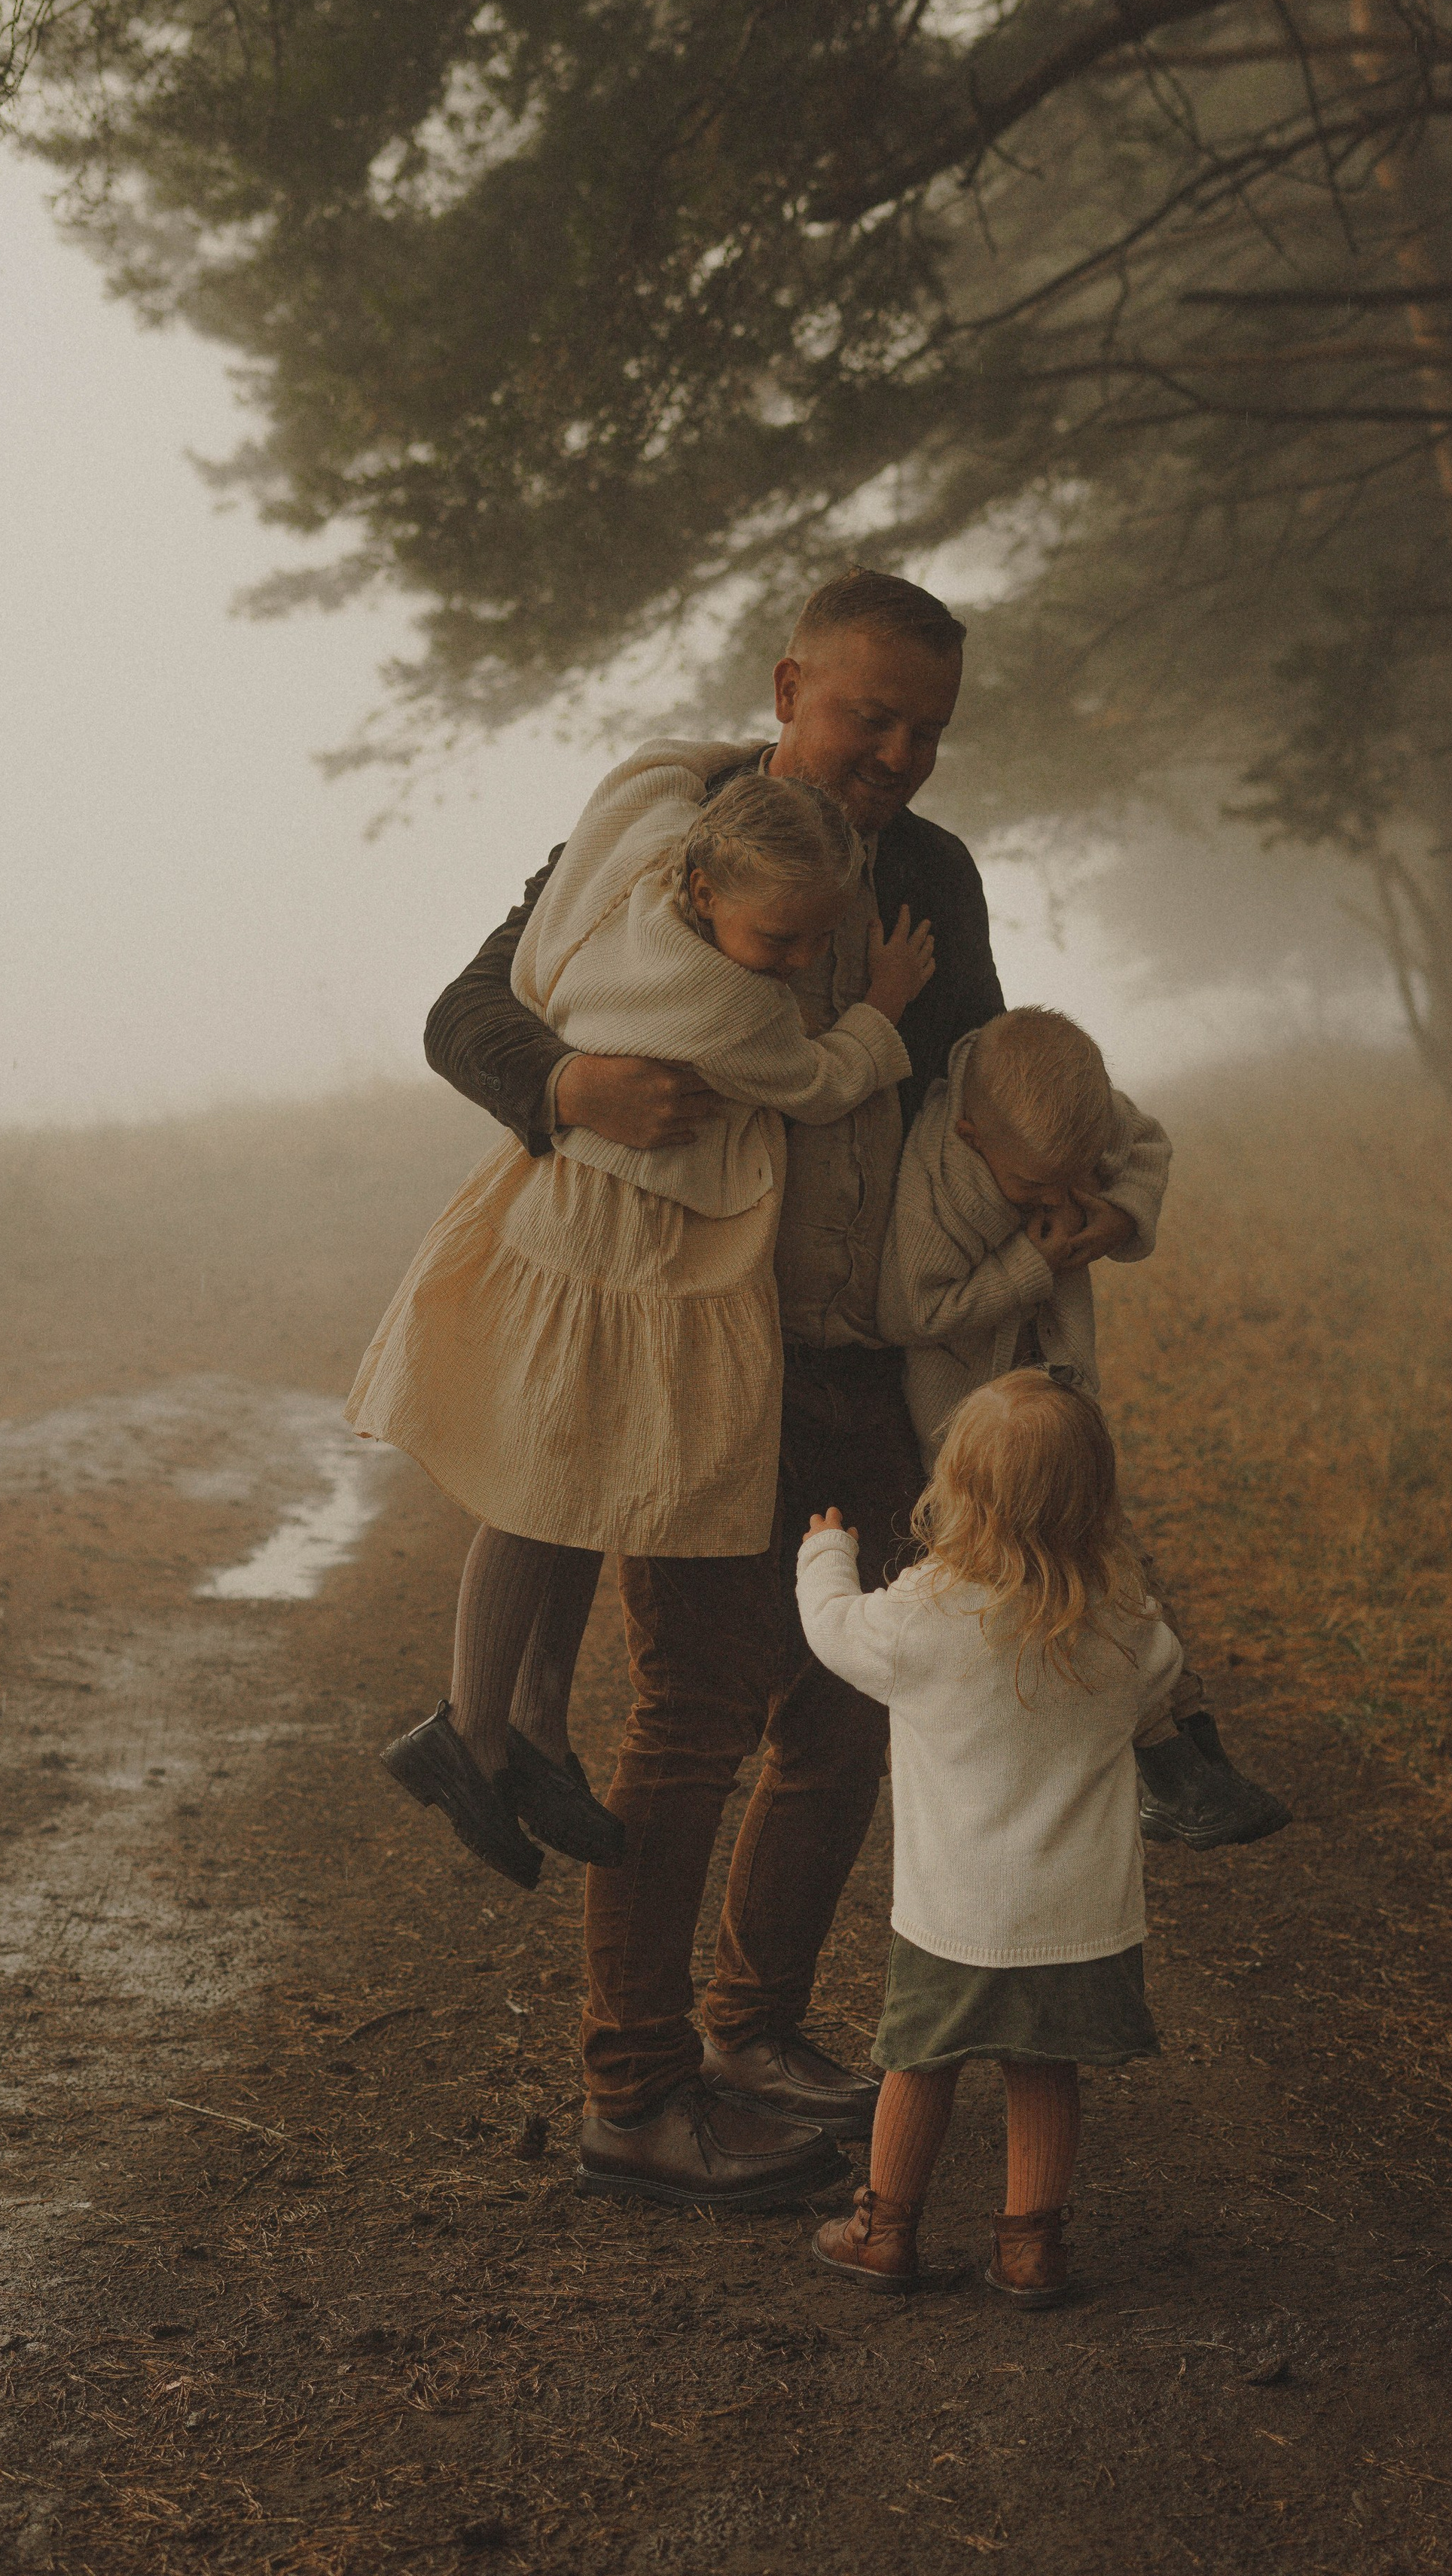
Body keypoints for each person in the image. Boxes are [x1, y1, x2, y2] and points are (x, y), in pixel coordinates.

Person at [425, 569, 1106, 2208]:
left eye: (926, 727)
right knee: (692, 1718)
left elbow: (974, 1075)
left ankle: (753, 2038)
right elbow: (469, 1016)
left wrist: (1059, 1184)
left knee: (849, 1707)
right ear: (789, 684)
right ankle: (635, 2092)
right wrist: (567, 1082)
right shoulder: (672, 846)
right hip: (704, 1350)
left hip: (881, 1355)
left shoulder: (929, 872)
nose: (895, 751)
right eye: (869, 712)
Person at [351, 766, 932, 1895]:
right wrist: (885, 1007)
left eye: (824, 939)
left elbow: (635, 781)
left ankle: (532, 1727)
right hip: (616, 1250)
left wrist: (722, 761)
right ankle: (465, 1732)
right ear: (707, 889)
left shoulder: (622, 873)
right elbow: (817, 1081)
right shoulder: (729, 1005)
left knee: (580, 1490)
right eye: (781, 937)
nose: (801, 962)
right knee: (538, 1496)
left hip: (573, 1221)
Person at [796, 1370, 1182, 2305]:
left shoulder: (926, 1616)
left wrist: (826, 1552)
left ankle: (883, 2234)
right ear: (1095, 1497)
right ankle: (1030, 2252)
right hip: (1077, 1914)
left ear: (957, 1492)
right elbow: (1160, 1686)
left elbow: (833, 1633)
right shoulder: (1125, 1622)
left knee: (917, 2067)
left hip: (953, 1915)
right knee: (1044, 2071)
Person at [877, 1004, 1286, 1849]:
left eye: (1075, 1182)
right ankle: (1155, 1762)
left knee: (1111, 1549)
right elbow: (912, 1310)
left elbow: (1147, 1145)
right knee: (1064, 1577)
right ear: (968, 1133)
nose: (1060, 1201)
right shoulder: (936, 1184)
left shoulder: (1056, 1125)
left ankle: (1192, 1744)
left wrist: (1121, 1214)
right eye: (1035, 1191)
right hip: (980, 1437)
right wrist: (1035, 1263)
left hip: (1054, 1398)